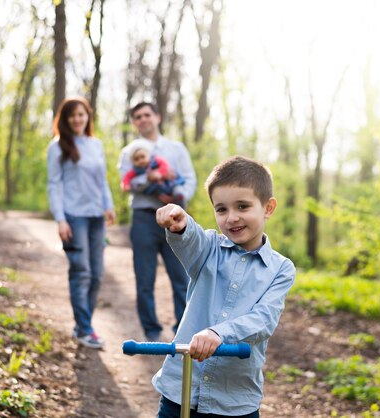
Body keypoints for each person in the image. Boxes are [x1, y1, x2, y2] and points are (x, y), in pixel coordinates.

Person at [153, 156, 296, 417]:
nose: (232, 218)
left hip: (234, 401)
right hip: (180, 390)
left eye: (242, 206)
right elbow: (190, 238)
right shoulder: (208, 248)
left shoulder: (280, 269)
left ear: (268, 207)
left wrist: (219, 334)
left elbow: (264, 319)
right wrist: (180, 223)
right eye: (221, 209)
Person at [117, 102, 197, 342]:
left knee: (181, 276)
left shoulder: (176, 148)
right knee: (144, 277)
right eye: (137, 116)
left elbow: (190, 179)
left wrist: (177, 197)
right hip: (143, 218)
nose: (143, 119)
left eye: (147, 114)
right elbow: (126, 183)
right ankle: (151, 331)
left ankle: (182, 330)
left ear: (157, 117)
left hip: (175, 219)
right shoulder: (128, 152)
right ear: (134, 122)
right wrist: (148, 180)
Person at [47, 96, 116, 349]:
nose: (77, 119)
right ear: (65, 120)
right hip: (73, 217)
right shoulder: (57, 147)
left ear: (87, 117)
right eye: (72, 115)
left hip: (96, 215)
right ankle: (85, 328)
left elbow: (102, 180)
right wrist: (60, 219)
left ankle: (81, 326)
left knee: (97, 275)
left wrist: (108, 205)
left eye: (81, 114)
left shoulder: (95, 144)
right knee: (82, 271)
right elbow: (54, 185)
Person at [121, 138, 185, 204]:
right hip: (157, 188)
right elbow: (127, 177)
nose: (140, 161)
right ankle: (164, 197)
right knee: (156, 191)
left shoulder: (154, 161)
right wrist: (126, 185)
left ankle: (179, 196)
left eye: (143, 157)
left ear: (148, 155)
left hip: (170, 182)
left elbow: (164, 164)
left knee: (177, 189)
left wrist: (160, 173)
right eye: (136, 159)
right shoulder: (136, 170)